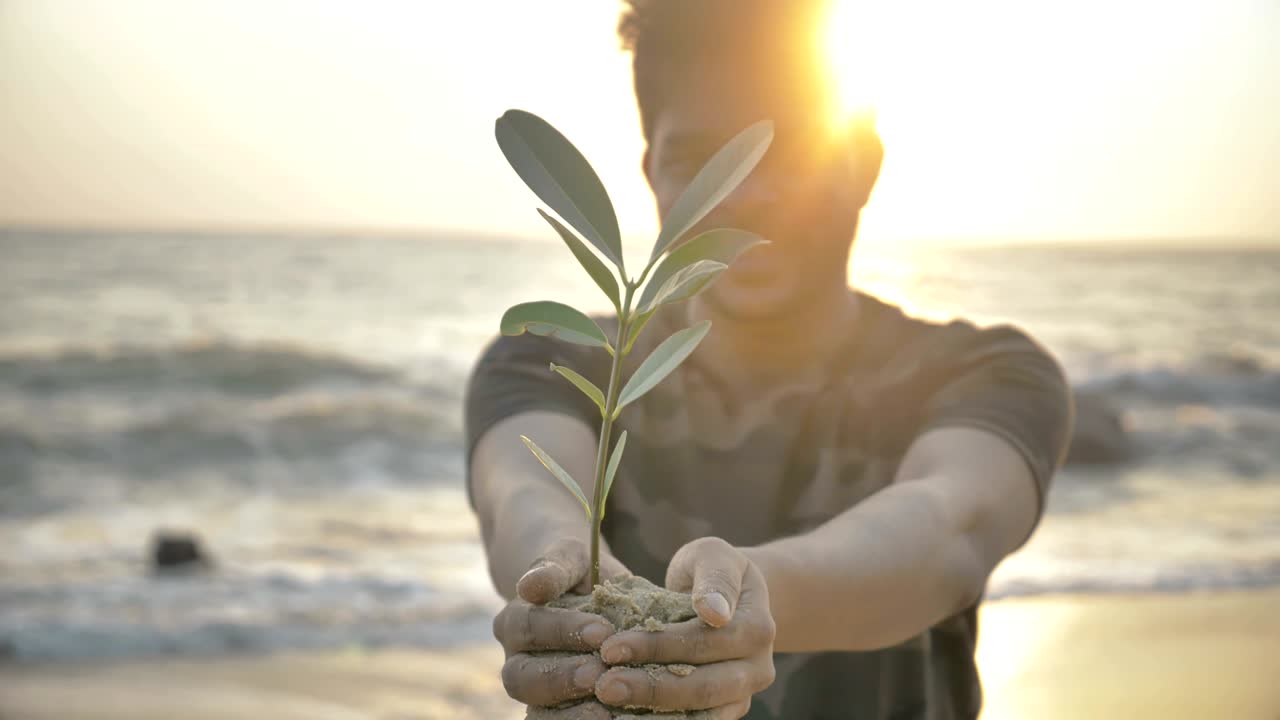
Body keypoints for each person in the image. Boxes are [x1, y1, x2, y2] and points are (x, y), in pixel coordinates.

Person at [465, 1, 1073, 717]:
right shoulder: (550, 358)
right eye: (699, 163)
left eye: (785, 154)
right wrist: (563, 588)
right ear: (652, 171)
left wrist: (747, 595)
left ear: (865, 165)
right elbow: (525, 501)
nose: (745, 197)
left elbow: (948, 529)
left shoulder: (985, 373)